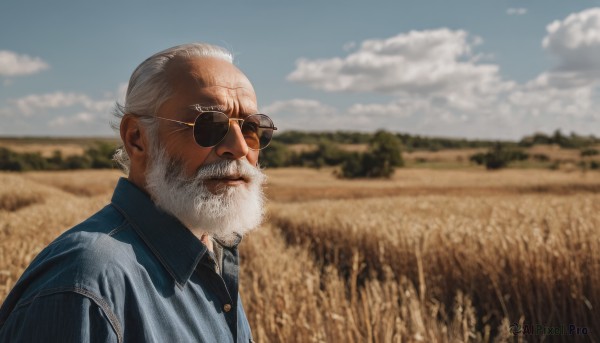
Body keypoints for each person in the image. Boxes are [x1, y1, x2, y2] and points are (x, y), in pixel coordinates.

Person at [0, 43, 276, 342]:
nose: (238, 148)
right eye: (208, 125)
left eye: (251, 127)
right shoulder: (85, 286)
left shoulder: (211, 250)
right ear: (136, 138)